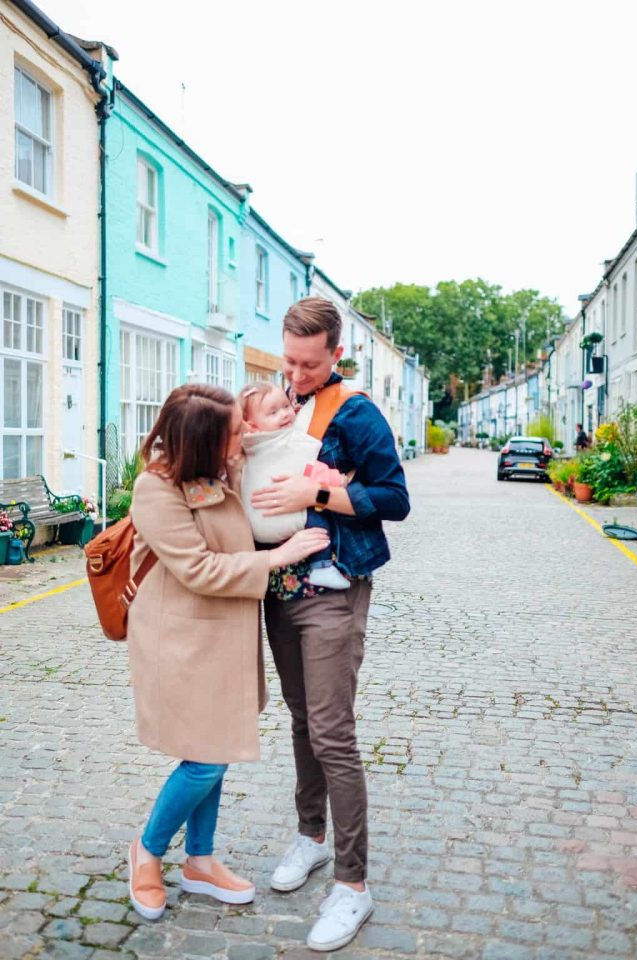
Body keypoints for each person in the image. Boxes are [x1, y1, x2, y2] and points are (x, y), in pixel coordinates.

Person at [125, 384, 330, 921]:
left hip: (224, 635)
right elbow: (199, 568)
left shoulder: (220, 469)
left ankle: (200, 860)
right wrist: (280, 557)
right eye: (235, 432)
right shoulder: (156, 489)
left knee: (213, 750)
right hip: (183, 641)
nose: (244, 437)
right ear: (200, 440)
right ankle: (147, 851)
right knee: (205, 758)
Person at [251, 298, 411, 952]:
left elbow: (395, 498)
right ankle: (311, 838)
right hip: (278, 591)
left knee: (333, 732)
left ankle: (352, 886)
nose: (297, 373)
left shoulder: (357, 411)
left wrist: (313, 495)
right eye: (289, 360)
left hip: (333, 590)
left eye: (309, 363)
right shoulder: (279, 401)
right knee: (300, 720)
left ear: (335, 355)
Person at [237, 381, 350, 590]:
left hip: (256, 529)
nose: (285, 414)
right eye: (273, 412)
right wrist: (338, 480)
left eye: (286, 406)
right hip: (280, 522)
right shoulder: (281, 445)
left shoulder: (248, 445)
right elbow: (308, 469)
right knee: (321, 515)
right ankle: (322, 566)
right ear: (251, 425)